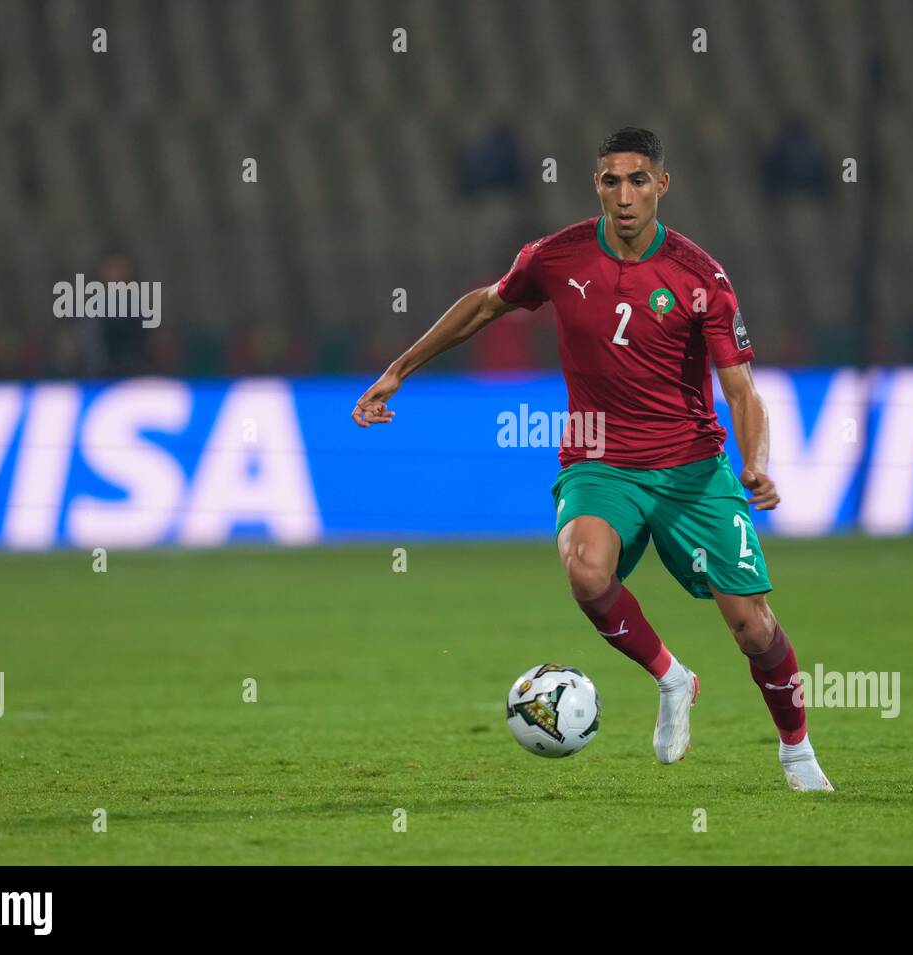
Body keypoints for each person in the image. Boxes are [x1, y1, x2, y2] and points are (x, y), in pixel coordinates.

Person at [352, 127, 833, 791]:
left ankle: (797, 753)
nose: (625, 194)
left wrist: (754, 462)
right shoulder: (556, 256)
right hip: (598, 460)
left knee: (752, 626)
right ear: (596, 185)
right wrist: (398, 370)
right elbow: (486, 306)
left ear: (662, 185)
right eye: (612, 180)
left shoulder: (701, 278)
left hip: (691, 470)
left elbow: (741, 389)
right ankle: (671, 678)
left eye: (639, 179)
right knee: (584, 570)